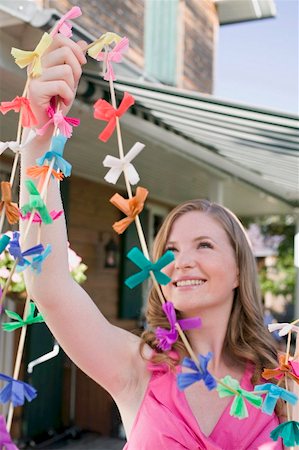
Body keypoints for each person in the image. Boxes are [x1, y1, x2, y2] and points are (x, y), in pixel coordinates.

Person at [19, 34, 285, 449]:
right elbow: (49, 286)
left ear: (239, 270)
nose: (181, 262)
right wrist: (39, 141)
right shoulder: (136, 366)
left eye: (204, 245)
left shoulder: (281, 381)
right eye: (171, 250)